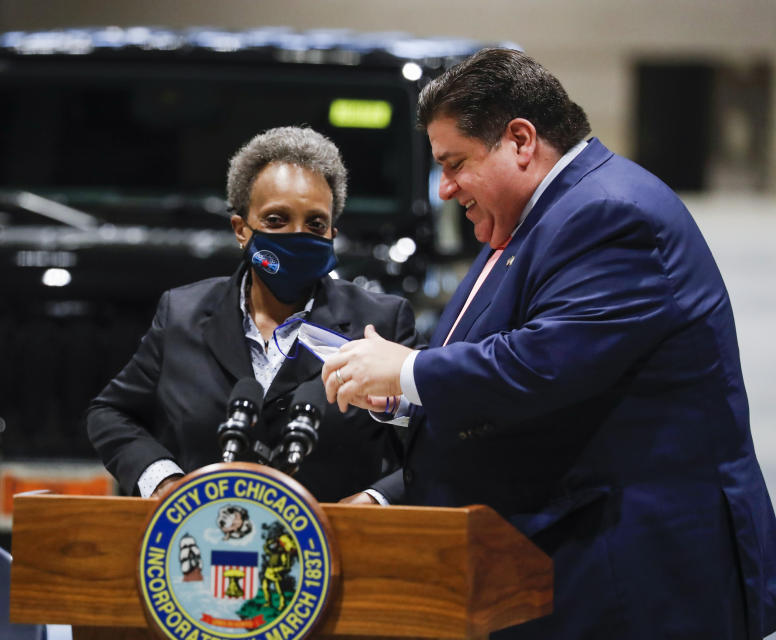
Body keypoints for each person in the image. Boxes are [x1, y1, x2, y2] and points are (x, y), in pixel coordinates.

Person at [322, 49, 776, 639]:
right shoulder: (531, 213)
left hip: (636, 571)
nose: (445, 188)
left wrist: (407, 371)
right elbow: (489, 351)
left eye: (454, 163)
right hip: (571, 548)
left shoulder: (610, 214)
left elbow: (542, 365)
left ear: (520, 140)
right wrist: (401, 395)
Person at [87, 126, 417, 503]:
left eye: (315, 224)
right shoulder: (181, 314)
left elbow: (435, 441)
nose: (298, 235)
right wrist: (162, 481)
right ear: (241, 229)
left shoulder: (380, 324)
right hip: (205, 544)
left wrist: (376, 499)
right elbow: (110, 413)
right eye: (277, 220)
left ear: (332, 232)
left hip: (334, 550)